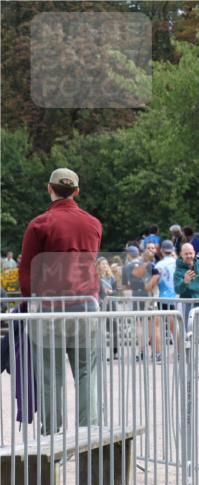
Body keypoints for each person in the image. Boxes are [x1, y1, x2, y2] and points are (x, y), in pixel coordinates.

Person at [20, 167, 103, 434]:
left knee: (50, 375)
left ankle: (51, 434)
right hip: (86, 305)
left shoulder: (39, 225)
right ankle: (88, 432)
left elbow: (28, 274)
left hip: (49, 308)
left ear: (49, 188)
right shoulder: (93, 223)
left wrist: (31, 300)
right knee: (86, 372)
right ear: (77, 191)